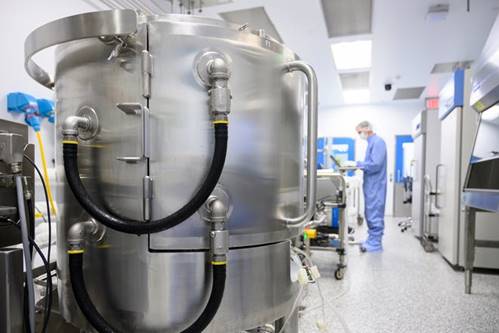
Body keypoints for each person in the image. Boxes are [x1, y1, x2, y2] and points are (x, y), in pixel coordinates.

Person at [355, 121, 387, 252]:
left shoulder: (378, 142)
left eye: (359, 132)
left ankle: (375, 244)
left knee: (375, 212)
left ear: (367, 129)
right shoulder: (371, 143)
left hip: (376, 185)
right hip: (371, 184)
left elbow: (375, 164)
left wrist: (358, 164)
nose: (359, 135)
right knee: (370, 212)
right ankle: (371, 239)